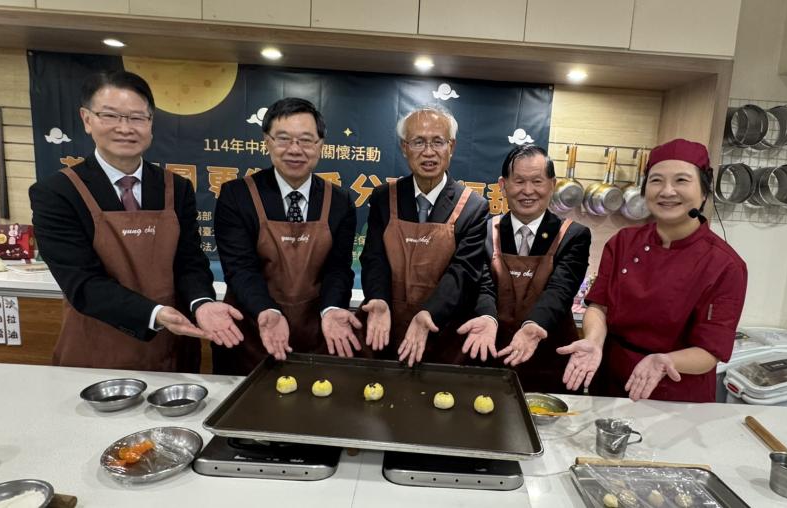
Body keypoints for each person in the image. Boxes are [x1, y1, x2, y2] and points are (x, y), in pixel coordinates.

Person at [29, 70, 243, 372]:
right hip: (97, 351)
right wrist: (155, 313)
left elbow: (190, 262)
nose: (124, 128)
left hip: (174, 347)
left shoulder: (175, 188)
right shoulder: (57, 193)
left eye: (137, 118)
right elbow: (83, 284)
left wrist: (202, 303)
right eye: (111, 116)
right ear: (87, 119)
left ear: (151, 124)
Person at [559, 138, 747, 402]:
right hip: (610, 383)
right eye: (657, 180)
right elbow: (598, 307)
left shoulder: (724, 265)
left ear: (704, 191)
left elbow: (710, 351)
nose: (667, 191)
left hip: (675, 392)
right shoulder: (623, 242)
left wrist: (664, 360)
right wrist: (593, 340)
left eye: (681, 180)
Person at [213, 98, 358, 374]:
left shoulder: (339, 201)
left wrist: (330, 310)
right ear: (266, 142)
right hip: (251, 333)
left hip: (315, 335)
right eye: (283, 139)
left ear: (320, 146)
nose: (294, 150)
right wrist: (267, 310)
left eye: (306, 140)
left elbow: (338, 270)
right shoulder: (237, 195)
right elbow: (240, 269)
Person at [359, 106, 489, 366]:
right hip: (387, 327)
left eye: (437, 142)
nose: (428, 152)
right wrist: (378, 298)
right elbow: (374, 258)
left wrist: (429, 313)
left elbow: (463, 272)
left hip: (442, 330)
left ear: (451, 146)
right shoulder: (385, 197)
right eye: (418, 142)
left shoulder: (473, 206)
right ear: (404, 147)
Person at [459, 144, 591, 393]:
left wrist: (534, 325)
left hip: (549, 359)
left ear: (552, 185)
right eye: (519, 181)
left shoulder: (574, 235)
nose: (528, 191)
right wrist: (487, 316)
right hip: (493, 354)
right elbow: (481, 286)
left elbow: (560, 291)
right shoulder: (485, 230)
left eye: (537, 181)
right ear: (503, 184)